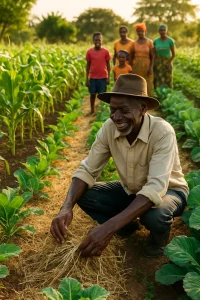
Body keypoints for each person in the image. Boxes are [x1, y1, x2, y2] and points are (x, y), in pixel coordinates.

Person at [50, 74, 188, 258]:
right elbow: (87, 170)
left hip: (169, 191)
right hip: (132, 191)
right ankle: (128, 226)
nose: (116, 117)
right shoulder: (109, 128)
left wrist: (108, 228)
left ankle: (157, 244)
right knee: (85, 195)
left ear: (143, 108)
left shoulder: (162, 132)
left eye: (123, 110)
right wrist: (66, 207)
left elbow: (156, 188)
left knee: (155, 215)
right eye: (112, 110)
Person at [85, 32, 111, 114]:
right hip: (93, 77)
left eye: (99, 40)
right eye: (96, 40)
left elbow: (108, 65)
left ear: (102, 41)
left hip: (103, 77)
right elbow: (88, 66)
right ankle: (92, 110)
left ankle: (101, 111)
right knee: (92, 94)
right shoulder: (89, 52)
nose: (97, 42)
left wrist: (108, 77)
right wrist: (87, 78)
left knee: (102, 95)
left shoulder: (105, 52)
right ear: (93, 41)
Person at [129, 23, 154, 96]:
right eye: (138, 31)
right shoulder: (134, 43)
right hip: (136, 67)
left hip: (147, 67)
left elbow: (152, 56)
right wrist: (130, 68)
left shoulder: (150, 42)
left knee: (148, 85)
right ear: (136, 32)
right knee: (137, 85)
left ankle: (149, 103)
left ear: (145, 31)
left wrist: (151, 67)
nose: (140, 33)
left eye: (141, 31)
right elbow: (131, 57)